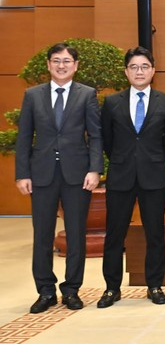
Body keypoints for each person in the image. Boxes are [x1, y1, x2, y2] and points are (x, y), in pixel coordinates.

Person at [15, 42, 102, 313]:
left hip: (77, 174)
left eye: (66, 61)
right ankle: (45, 291)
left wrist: (94, 169)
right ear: (48, 65)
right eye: (56, 60)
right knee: (42, 235)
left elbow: (95, 135)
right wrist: (22, 173)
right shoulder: (32, 95)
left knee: (76, 233)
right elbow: (24, 137)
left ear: (75, 66)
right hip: (41, 174)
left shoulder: (87, 94)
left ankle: (72, 289)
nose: (61, 65)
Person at [98, 47, 165, 308]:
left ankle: (154, 285)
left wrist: (152, 162)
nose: (139, 71)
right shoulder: (112, 102)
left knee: (155, 234)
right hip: (120, 176)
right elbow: (107, 141)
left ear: (153, 71)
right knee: (114, 234)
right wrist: (124, 161)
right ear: (126, 71)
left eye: (144, 66)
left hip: (153, 177)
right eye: (134, 67)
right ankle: (111, 288)